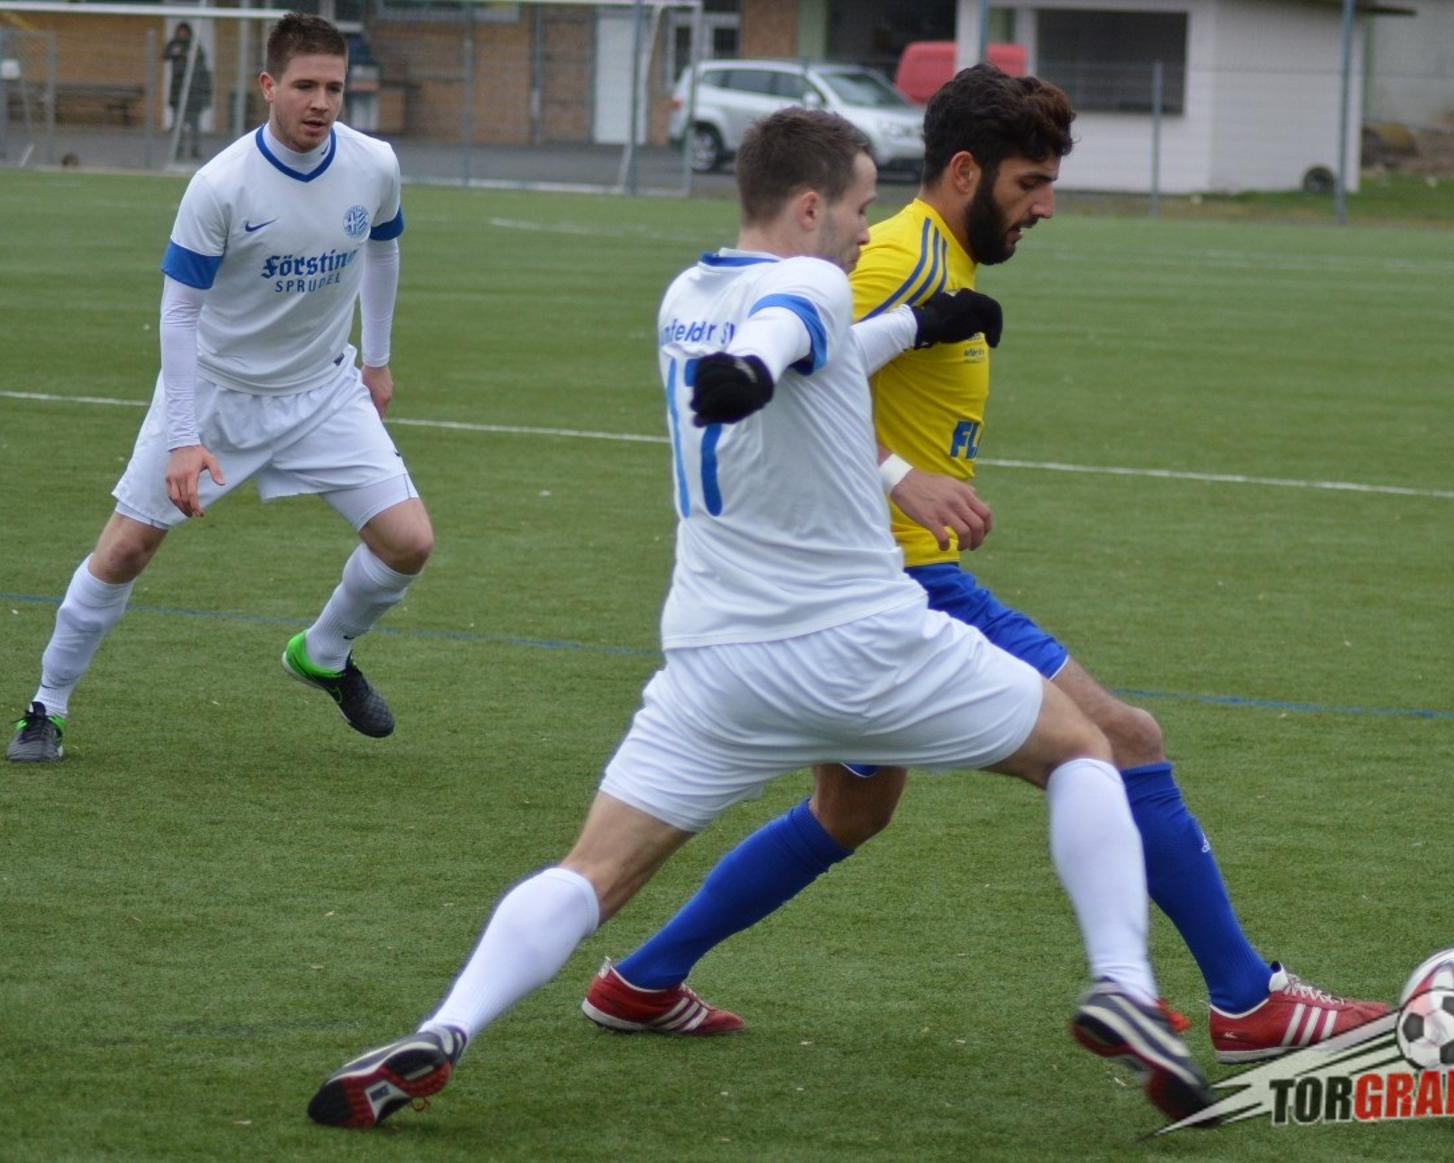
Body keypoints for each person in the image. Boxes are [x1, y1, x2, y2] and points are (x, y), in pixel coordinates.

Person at [305, 108, 1213, 1131]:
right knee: (1087, 747)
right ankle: (1123, 983)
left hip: (714, 665)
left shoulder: (686, 295)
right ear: (811, 207)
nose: (868, 230)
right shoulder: (808, 285)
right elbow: (784, 332)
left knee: (591, 870)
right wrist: (749, 370)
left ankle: (446, 1027)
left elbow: (815, 350)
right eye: (861, 207)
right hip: (862, 643)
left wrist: (920, 323)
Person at [580, 65, 1389, 1063]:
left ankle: (641, 978)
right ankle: (1245, 998)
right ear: (964, 171)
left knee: (852, 808)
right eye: (1029, 184)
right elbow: (776, 382)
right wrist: (899, 476)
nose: (1044, 207)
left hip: (858, 590)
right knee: (1122, 739)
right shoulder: (895, 256)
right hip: (897, 585)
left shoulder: (935, 259)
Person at [5, 13, 429, 762]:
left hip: (324, 391)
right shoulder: (221, 185)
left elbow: (383, 250)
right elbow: (178, 313)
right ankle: (47, 705)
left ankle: (323, 653)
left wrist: (378, 361)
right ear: (268, 85)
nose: (321, 103)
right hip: (218, 394)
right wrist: (183, 437)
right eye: (304, 86)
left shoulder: (374, 164)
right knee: (126, 549)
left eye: (334, 88)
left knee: (408, 543)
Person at [163, 21, 213, 160]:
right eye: (180, 32)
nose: (182, 35)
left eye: (184, 32)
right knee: (178, 124)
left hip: (193, 94)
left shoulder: (195, 47)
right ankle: (177, 150)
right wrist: (177, 53)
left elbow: (201, 65)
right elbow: (166, 54)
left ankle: (195, 149)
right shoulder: (175, 44)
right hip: (177, 93)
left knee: (194, 125)